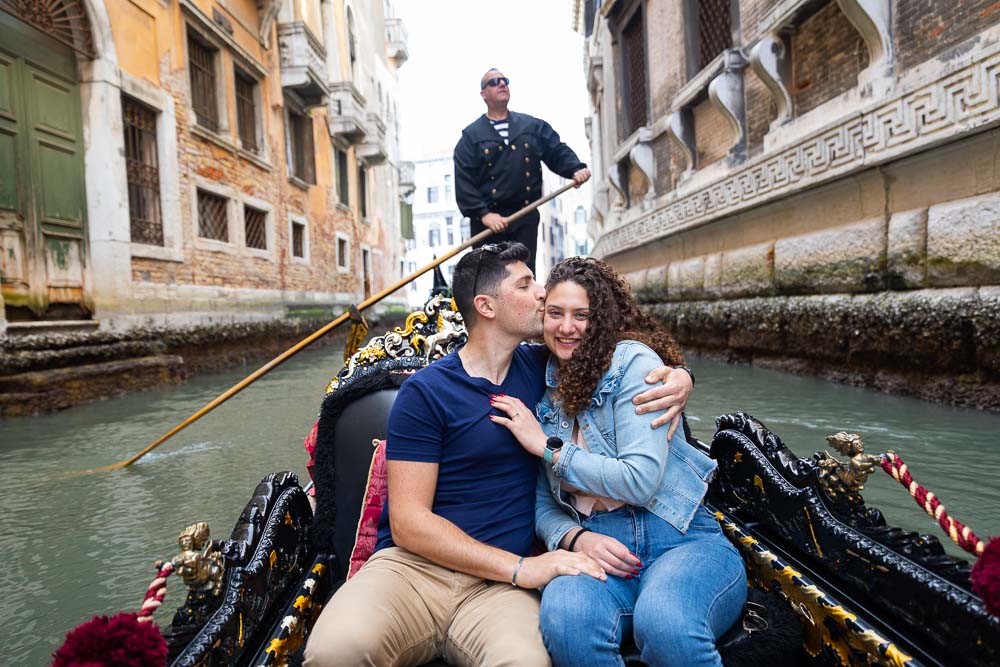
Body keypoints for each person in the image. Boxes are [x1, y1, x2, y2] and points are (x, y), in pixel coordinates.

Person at [303, 243, 695, 666]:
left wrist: (680, 375)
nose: (543, 294)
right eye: (526, 284)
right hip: (414, 572)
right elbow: (409, 523)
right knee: (333, 651)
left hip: (499, 594)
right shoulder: (425, 392)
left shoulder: (545, 368)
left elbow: (621, 349)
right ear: (487, 306)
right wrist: (521, 569)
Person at [491, 257, 747, 667]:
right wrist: (575, 539)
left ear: (602, 319)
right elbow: (542, 504)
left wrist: (550, 449)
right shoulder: (544, 392)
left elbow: (640, 481)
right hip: (599, 545)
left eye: (581, 315)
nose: (566, 327)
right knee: (566, 621)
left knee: (664, 622)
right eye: (555, 313)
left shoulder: (631, 363)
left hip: (679, 537)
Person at [454, 68, 591, 274]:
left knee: (523, 274)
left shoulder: (531, 127)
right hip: (488, 225)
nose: (502, 84)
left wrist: (575, 168)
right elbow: (463, 179)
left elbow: (555, 149)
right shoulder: (471, 137)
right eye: (494, 82)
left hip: (524, 216)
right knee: (490, 278)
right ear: (483, 94)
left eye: (505, 80)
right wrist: (484, 214)